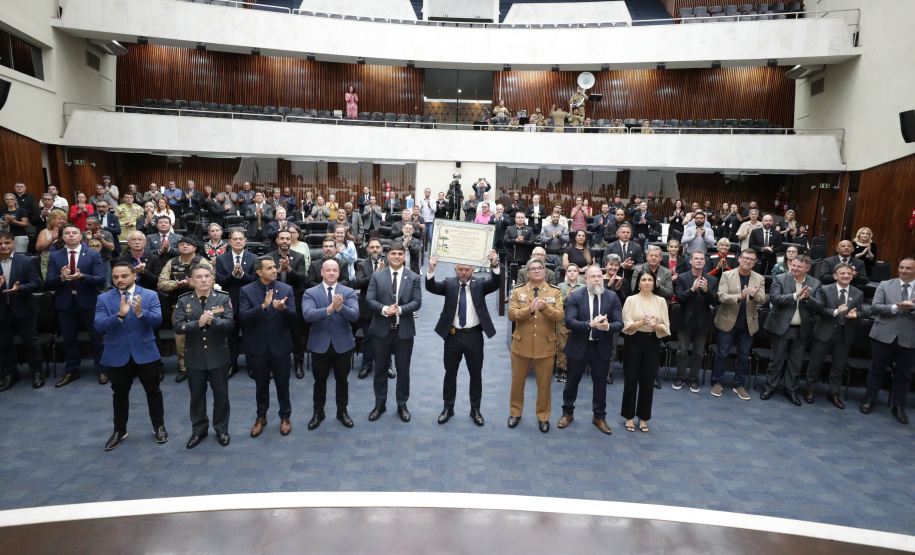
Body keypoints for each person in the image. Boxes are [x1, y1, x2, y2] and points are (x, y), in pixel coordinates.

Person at [95, 260, 167, 451]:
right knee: (119, 394)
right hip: (117, 354)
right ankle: (119, 430)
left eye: (124, 276)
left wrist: (140, 313)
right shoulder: (103, 298)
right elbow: (99, 325)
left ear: (134, 276)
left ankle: (159, 426)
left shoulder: (150, 295)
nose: (120, 280)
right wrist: (119, 315)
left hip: (146, 353)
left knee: (153, 392)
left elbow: (158, 321)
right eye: (115, 277)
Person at [559, 265, 624, 434]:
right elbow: (570, 322)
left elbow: (620, 323)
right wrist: (590, 324)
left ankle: (599, 417)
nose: (596, 279)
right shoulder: (576, 296)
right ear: (586, 279)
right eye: (593, 277)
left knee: (600, 385)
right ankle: (567, 412)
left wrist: (607, 326)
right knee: (571, 382)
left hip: (601, 348)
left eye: (599, 276)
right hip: (578, 346)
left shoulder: (612, 297)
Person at [239, 257, 297, 437]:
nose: (274, 270)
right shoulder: (246, 290)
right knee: (261, 385)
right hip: (257, 347)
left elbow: (294, 319)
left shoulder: (286, 289)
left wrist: (283, 309)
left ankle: (285, 417)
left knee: (283, 385)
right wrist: (263, 306)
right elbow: (243, 317)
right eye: (269, 268)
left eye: (274, 267)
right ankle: (261, 417)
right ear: (259, 272)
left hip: (280, 346)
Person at [366, 243, 422, 423]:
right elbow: (370, 299)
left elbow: (417, 302)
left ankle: (402, 404)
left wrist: (399, 310)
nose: (397, 256)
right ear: (388, 255)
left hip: (403, 333)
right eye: (393, 253)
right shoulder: (377, 276)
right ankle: (379, 404)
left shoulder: (413, 277)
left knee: (403, 370)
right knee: (380, 370)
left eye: (400, 254)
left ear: (404, 256)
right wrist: (385, 309)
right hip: (381, 332)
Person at [301, 259, 360, 430]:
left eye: (335, 270)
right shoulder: (310, 293)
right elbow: (308, 315)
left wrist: (340, 308)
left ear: (339, 273)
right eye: (328, 270)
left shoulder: (348, 292)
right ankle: (318, 413)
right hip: (320, 344)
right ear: (321, 272)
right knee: (319, 381)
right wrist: (330, 309)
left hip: (343, 345)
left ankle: (342, 412)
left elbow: (355, 315)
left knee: (342, 381)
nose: (332, 273)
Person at [46, 224, 107, 387]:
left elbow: (101, 279)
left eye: (74, 233)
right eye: (67, 233)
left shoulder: (93, 254)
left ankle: (102, 369)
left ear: (81, 237)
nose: (71, 235)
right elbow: (48, 283)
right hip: (66, 304)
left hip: (90, 302)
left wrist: (82, 277)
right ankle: (72, 370)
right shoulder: (55, 256)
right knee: (69, 340)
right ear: (62, 237)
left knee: (97, 339)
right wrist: (62, 277)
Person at [508, 258, 564, 433]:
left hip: (545, 346)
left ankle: (543, 416)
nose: (537, 270)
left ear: (545, 271)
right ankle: (515, 413)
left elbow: (559, 316)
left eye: (540, 268)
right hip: (521, 345)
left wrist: (545, 308)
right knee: (517, 383)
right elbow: (511, 315)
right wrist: (529, 310)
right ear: (527, 273)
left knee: (544, 385)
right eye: (533, 268)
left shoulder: (554, 292)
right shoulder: (518, 291)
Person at [759, 255, 821, 405]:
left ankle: (791, 390)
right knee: (776, 361)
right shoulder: (780, 278)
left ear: (808, 268)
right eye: (793, 265)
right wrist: (795, 296)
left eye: (799, 266)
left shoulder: (815, 283)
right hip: (781, 327)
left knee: (796, 363)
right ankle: (770, 387)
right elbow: (775, 299)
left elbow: (819, 306)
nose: (795, 268)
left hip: (802, 329)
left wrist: (807, 298)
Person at [860, 258, 915, 424]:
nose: (904, 271)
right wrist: (896, 307)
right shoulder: (885, 284)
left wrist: (912, 309)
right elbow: (875, 307)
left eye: (908, 268)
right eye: (901, 267)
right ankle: (869, 400)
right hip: (883, 335)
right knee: (876, 370)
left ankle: (898, 406)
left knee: (904, 375)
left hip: (909, 338)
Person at [805, 263, 866, 409]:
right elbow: (819, 310)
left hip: (844, 333)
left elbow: (860, 311)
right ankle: (810, 390)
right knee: (815, 363)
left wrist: (856, 314)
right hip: (824, 331)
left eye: (849, 274)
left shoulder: (858, 293)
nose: (846, 276)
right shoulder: (824, 289)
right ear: (835, 276)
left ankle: (834, 393)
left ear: (853, 276)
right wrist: (835, 312)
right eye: (842, 273)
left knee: (839, 366)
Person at [711, 249, 767, 401]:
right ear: (739, 259)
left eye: (752, 259)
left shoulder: (759, 278)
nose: (748, 261)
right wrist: (739, 296)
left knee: (743, 356)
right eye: (746, 258)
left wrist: (754, 296)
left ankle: (739, 384)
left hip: (748, 324)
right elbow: (721, 296)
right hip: (727, 321)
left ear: (754, 263)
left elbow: (763, 299)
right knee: (722, 354)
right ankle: (717, 382)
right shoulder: (727, 275)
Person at [620, 272, 670, 433]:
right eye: (644, 280)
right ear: (638, 283)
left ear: (654, 283)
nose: (647, 282)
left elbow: (666, 327)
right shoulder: (631, 299)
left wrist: (655, 325)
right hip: (633, 341)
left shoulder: (661, 301)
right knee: (630, 380)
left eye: (650, 280)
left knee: (648, 382)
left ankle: (643, 417)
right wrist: (641, 323)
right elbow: (625, 326)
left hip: (652, 342)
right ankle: (628, 416)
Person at [158, 236, 212, 382]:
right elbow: (161, 284)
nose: (185, 246)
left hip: (201, 305)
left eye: (188, 244)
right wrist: (176, 284)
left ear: (195, 248)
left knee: (203, 337)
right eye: (181, 244)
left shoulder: (202, 262)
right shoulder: (172, 262)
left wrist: (190, 284)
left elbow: (211, 283)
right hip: (178, 305)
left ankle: (204, 366)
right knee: (180, 339)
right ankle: (183, 367)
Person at [0, 231, 44, 390]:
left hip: (24, 308)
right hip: (2, 310)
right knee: (4, 344)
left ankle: (36, 373)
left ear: (13, 244)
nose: (3, 246)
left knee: (31, 343)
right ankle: (10, 374)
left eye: (7, 243)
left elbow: (35, 284)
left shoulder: (26, 261)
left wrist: (19, 289)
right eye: (0, 244)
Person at [266, 229, 310, 378]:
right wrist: (278, 271)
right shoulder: (269, 257)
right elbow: (265, 279)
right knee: (274, 333)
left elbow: (302, 278)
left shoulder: (298, 257)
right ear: (277, 240)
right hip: (273, 300)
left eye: (287, 238)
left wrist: (289, 270)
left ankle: (298, 364)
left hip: (294, 300)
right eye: (282, 238)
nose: (285, 241)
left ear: (291, 240)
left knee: (297, 334)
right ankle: (274, 363)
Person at [672, 251, 718, 392]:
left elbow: (715, 301)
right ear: (690, 261)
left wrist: (706, 290)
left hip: (702, 321)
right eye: (696, 258)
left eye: (701, 259)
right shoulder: (682, 278)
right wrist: (692, 290)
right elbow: (679, 298)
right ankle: (680, 377)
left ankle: (694, 379)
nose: (699, 261)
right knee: (682, 351)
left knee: (698, 353)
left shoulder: (712, 280)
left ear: (705, 262)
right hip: (685, 319)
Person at [214, 229, 257, 378]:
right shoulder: (221, 259)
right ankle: (231, 364)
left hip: (249, 304)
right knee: (230, 337)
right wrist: (233, 275)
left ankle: (252, 365)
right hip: (229, 303)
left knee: (250, 336)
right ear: (229, 242)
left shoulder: (254, 258)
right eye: (235, 239)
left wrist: (242, 274)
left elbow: (256, 280)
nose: (238, 241)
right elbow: (220, 281)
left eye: (240, 239)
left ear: (245, 241)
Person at [353, 238, 384, 380]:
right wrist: (375, 274)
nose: (375, 250)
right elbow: (358, 283)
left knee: (385, 338)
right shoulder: (362, 264)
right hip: (367, 307)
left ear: (382, 249)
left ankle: (386, 365)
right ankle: (366, 365)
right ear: (367, 250)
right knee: (368, 339)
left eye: (377, 247)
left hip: (385, 306)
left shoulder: (389, 263)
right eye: (372, 247)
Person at [553, 264, 585, 383]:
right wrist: (567, 297)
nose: (572, 273)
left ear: (578, 273)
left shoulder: (583, 287)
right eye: (569, 271)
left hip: (576, 321)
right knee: (561, 346)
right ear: (566, 273)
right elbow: (556, 303)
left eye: (574, 271)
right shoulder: (560, 286)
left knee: (573, 346)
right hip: (562, 320)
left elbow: (585, 304)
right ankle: (560, 368)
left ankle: (568, 369)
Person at [36, 209, 67, 278]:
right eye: (59, 219)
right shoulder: (44, 232)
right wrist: (52, 239)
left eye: (64, 219)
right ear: (52, 220)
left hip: (65, 263)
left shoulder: (68, 232)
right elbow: (38, 248)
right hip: (48, 262)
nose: (62, 221)